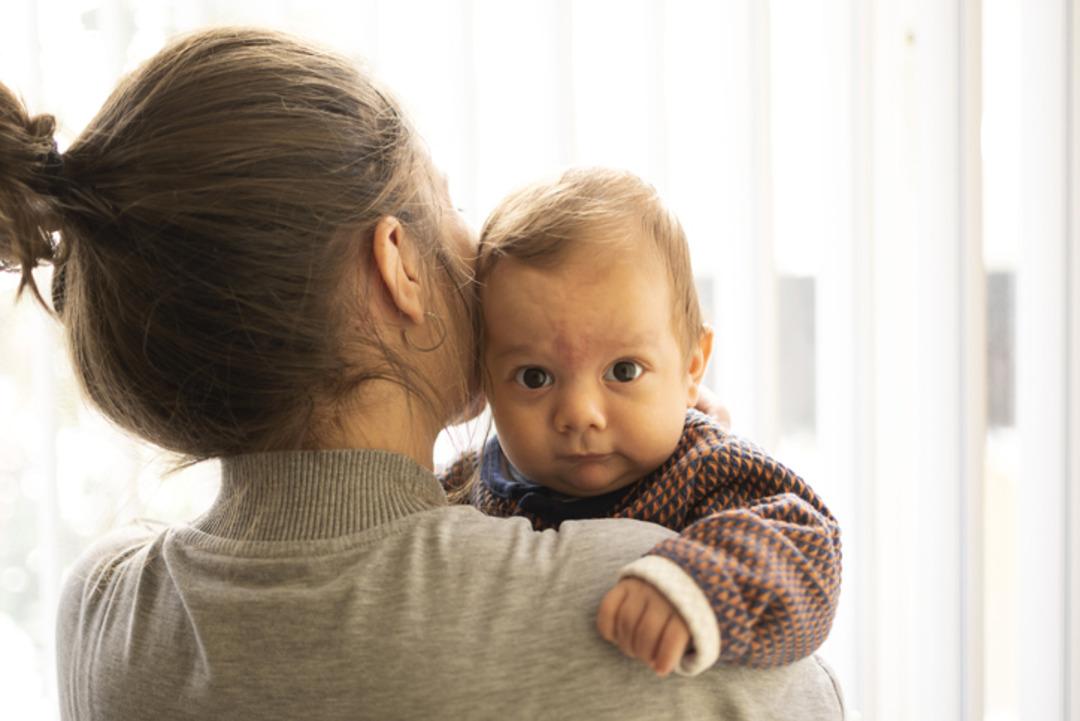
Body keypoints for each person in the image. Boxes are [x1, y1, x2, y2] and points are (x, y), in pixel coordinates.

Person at [0, 28, 845, 720]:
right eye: (451, 204)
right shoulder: (644, 601)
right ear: (398, 261)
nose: (476, 251)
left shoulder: (102, 614)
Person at [440, 168, 842, 677]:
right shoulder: (472, 481)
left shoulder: (707, 467)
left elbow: (807, 546)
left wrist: (696, 584)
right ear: (487, 381)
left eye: (623, 371)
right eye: (535, 377)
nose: (580, 414)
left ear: (692, 366)